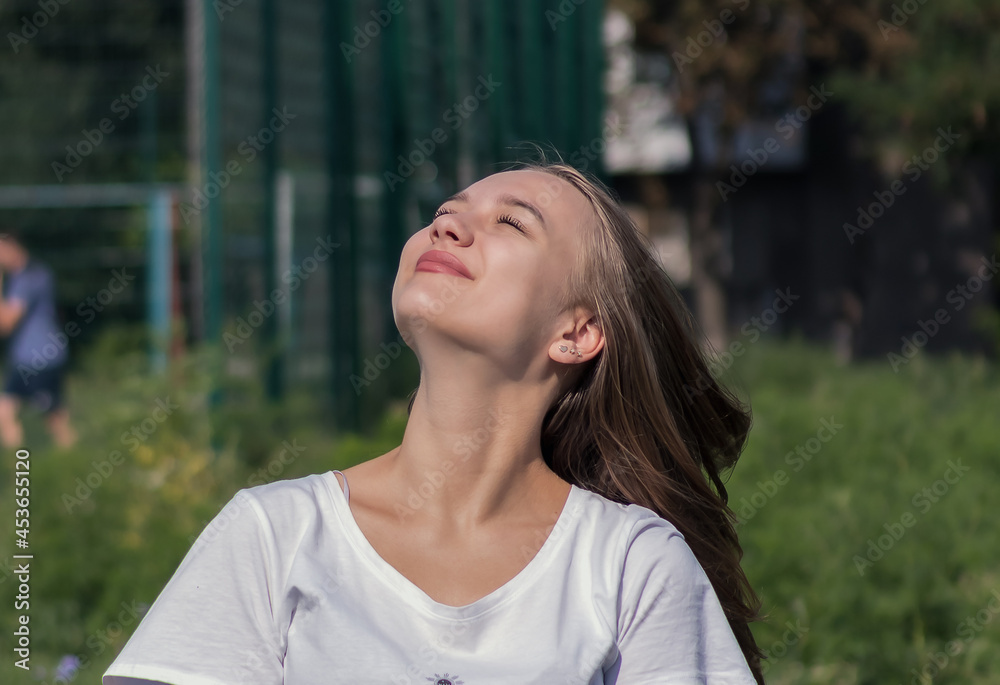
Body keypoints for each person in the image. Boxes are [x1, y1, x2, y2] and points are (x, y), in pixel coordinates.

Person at [102, 161, 765, 684]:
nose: (446, 228)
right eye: (444, 213)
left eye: (512, 223)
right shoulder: (272, 535)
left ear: (577, 331)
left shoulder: (633, 564)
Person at [0, 229, 76, 448]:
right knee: (5, 412)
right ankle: (17, 462)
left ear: (12, 247)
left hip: (40, 359)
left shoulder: (29, 278)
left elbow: (6, 323)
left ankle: (72, 457)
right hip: (29, 359)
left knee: (54, 420)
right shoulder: (28, 276)